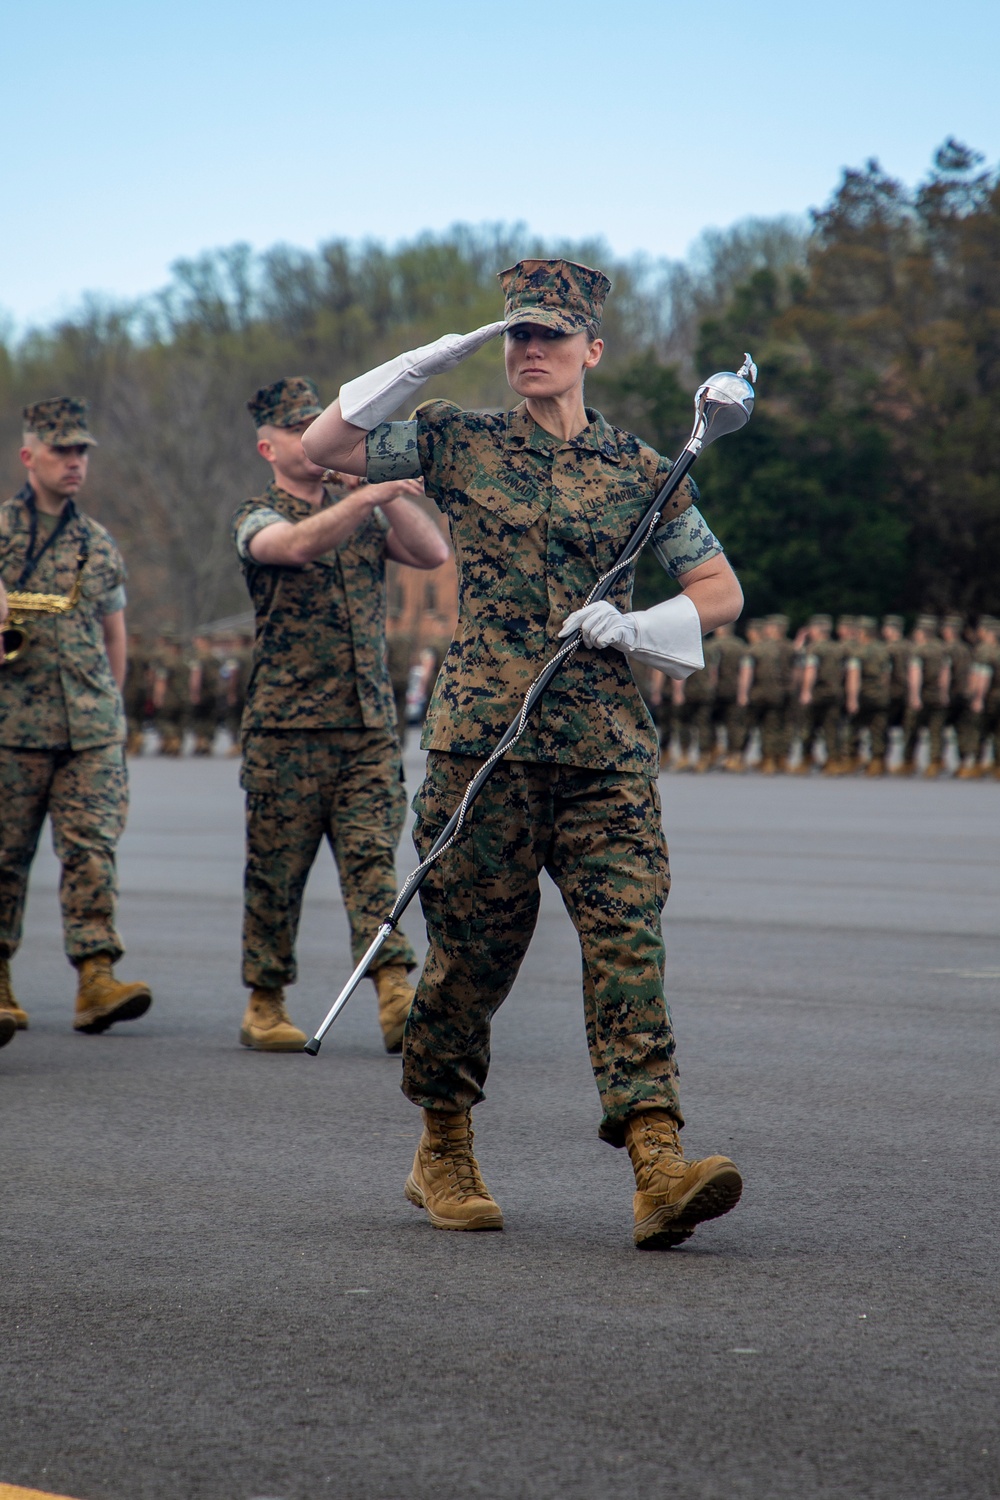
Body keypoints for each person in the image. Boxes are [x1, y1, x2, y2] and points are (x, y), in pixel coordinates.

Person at [303, 258, 745, 1249]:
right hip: (484, 753)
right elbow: (322, 443)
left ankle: (657, 1160)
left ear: (591, 349)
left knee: (628, 944)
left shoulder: (643, 469)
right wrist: (425, 361)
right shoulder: (457, 442)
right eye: (516, 335)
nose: (530, 350)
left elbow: (719, 592)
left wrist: (634, 627)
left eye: (550, 335)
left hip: (602, 754)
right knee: (470, 961)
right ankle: (443, 1143)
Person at [233, 376, 449, 1052]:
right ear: (269, 445)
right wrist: (366, 501)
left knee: (372, 866)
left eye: (318, 425)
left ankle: (393, 993)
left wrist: (371, 492)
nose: (314, 438)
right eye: (299, 429)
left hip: (365, 730)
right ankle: (264, 1003)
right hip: (286, 732)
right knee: (277, 871)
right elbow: (290, 547)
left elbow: (432, 553)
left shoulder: (358, 508)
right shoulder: (256, 513)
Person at [0, 398, 152, 1034]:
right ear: (28, 454)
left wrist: (110, 712)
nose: (73, 462)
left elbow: (114, 632)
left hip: (89, 729)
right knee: (5, 855)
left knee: (91, 850)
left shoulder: (96, 542)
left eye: (81, 450)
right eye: (61, 449)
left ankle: (96, 978)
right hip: (12, 728)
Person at [843, 616, 891, 774]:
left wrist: (852, 699)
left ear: (862, 633)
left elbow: (854, 677)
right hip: (880, 695)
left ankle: (852, 758)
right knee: (878, 728)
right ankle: (877, 761)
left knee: (853, 727)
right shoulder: (883, 650)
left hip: (863, 695)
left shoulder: (858, 652)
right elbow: (886, 676)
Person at [901, 615, 947, 777]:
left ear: (921, 632)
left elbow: (916, 675)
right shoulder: (942, 649)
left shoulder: (918, 650)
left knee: (912, 728)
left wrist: (915, 696)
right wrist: (943, 693)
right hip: (937, 696)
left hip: (922, 695)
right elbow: (944, 674)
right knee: (936, 730)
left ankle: (908, 761)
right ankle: (935, 761)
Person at [187, 633, 223, 755]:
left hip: (202, 693)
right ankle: (208, 741)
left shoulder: (198, 658)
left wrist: (194, 692)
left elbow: (196, 676)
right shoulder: (215, 658)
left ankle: (200, 741)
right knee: (210, 718)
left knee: (199, 717)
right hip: (213, 693)